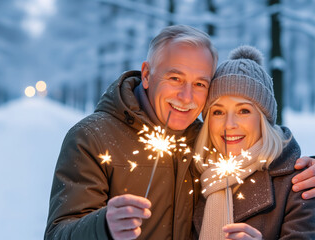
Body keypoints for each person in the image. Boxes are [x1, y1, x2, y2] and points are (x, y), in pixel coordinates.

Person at [45, 25, 315, 240]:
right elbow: (58, 233)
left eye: (199, 83)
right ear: (148, 74)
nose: (186, 97)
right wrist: (102, 226)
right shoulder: (92, 138)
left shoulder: (202, 143)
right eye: (175, 78)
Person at [192, 45, 315, 239]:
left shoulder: (300, 184)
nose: (229, 124)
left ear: (263, 119)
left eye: (244, 111)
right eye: (218, 112)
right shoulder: (189, 178)